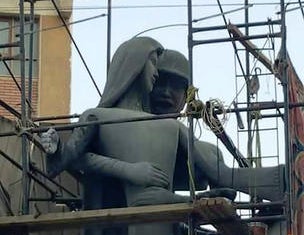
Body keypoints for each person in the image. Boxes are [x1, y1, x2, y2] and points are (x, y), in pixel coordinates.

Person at [41, 45, 284, 235]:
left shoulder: (179, 135)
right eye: (160, 81)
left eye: (176, 86)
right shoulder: (102, 118)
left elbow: (220, 175)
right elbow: (67, 159)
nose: (166, 92)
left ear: (187, 96)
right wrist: (130, 170)